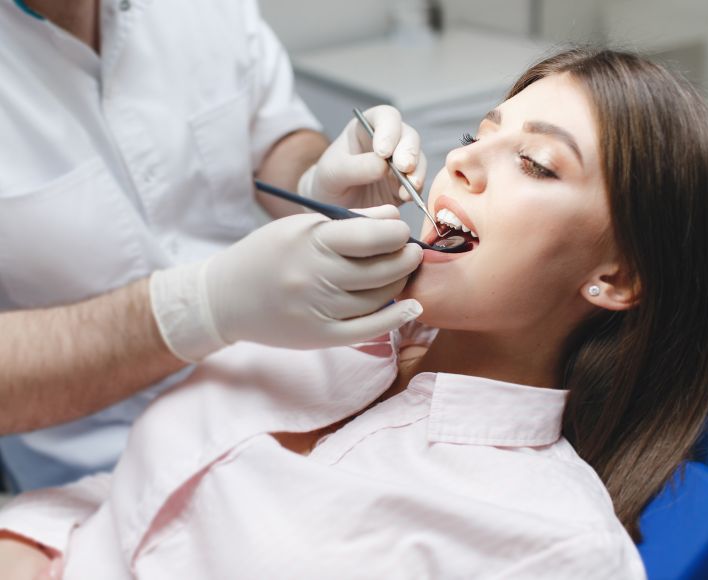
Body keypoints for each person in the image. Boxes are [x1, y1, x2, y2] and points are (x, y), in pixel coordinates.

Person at [0, 48, 708, 579]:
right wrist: (29, 540)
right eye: (476, 136)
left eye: (536, 163)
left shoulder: (554, 546)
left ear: (616, 277)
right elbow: (142, 493)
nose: (460, 162)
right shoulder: (307, 337)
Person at [0, 0, 427, 490]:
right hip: (99, 471)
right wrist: (198, 309)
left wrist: (317, 183)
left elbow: (271, 133)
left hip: (279, 409)